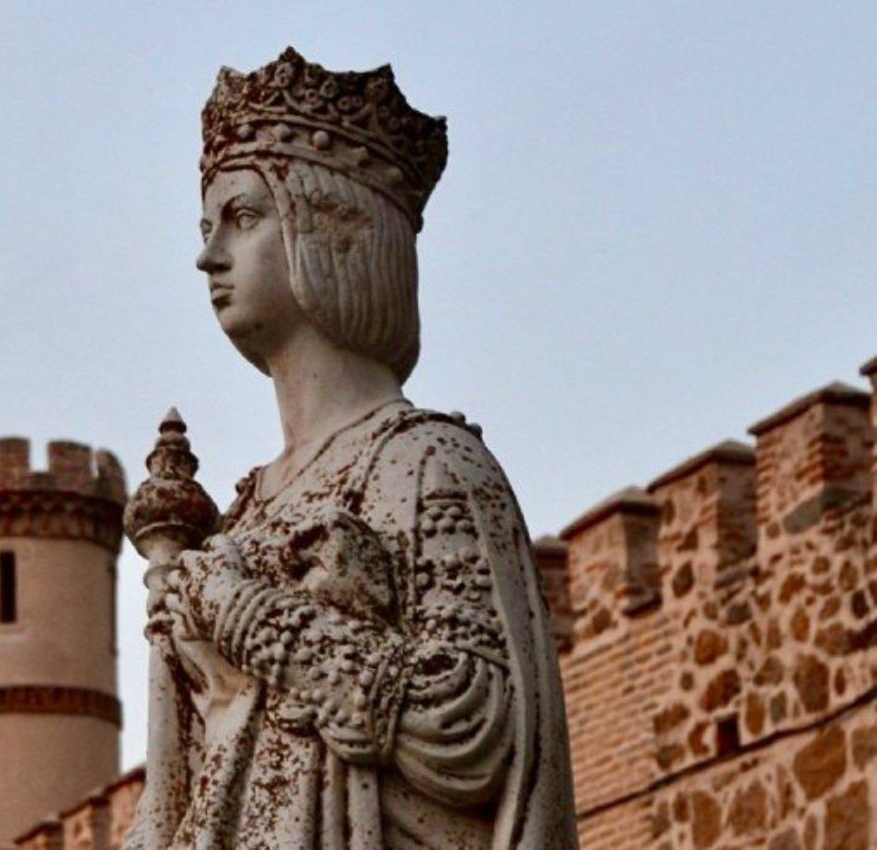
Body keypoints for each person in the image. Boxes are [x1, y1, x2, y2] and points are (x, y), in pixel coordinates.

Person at [126, 48, 579, 850]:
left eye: (243, 217)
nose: (209, 256)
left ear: (334, 227)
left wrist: (249, 615)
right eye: (206, 228)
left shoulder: (426, 464)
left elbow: (468, 724)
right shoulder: (239, 514)